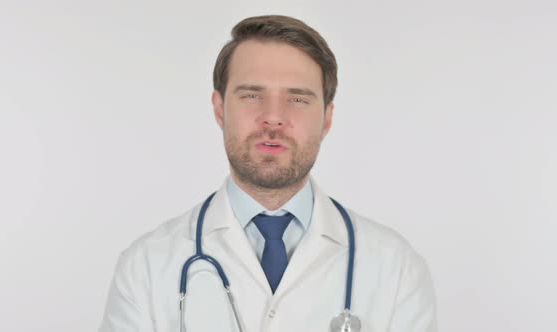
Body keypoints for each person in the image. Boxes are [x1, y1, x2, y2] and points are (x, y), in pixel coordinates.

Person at [99, 15, 437, 332]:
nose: (273, 117)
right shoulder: (145, 268)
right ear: (219, 108)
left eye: (297, 99)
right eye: (251, 95)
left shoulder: (397, 270)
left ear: (328, 117)